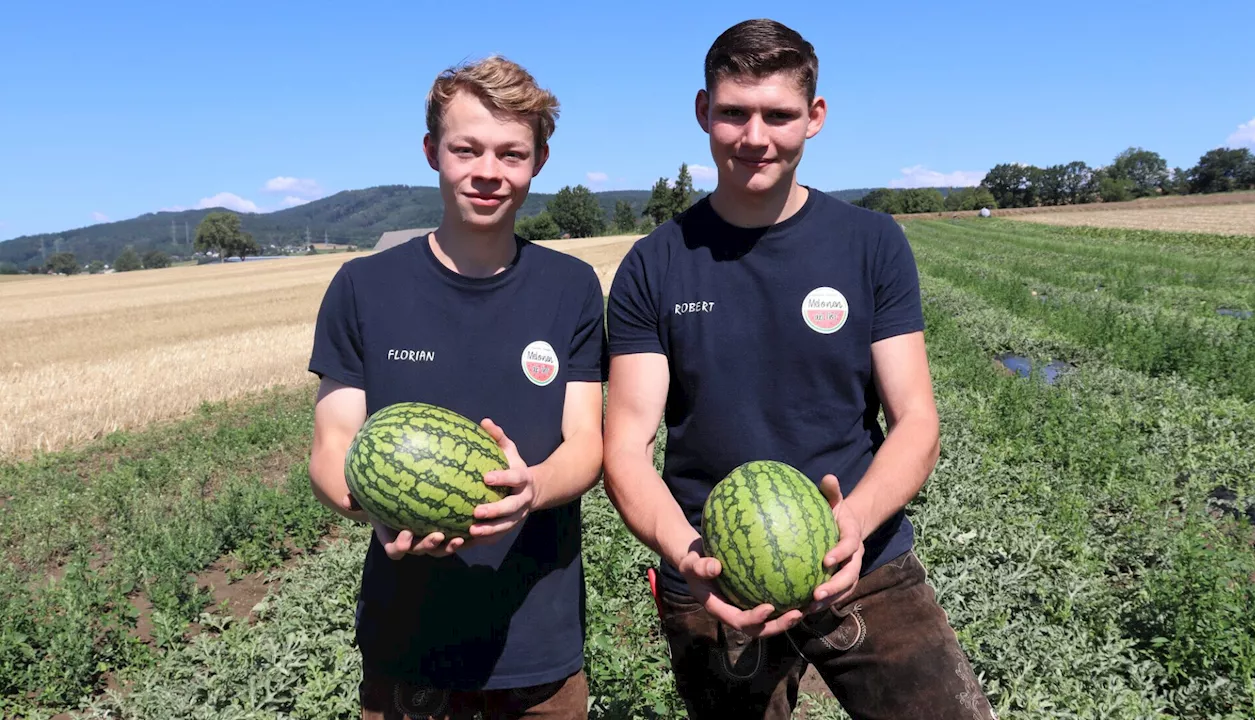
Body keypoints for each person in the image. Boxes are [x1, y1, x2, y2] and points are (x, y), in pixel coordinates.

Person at [602, 18, 996, 720]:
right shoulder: (653, 265)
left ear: (813, 117)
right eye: (734, 112)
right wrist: (686, 553)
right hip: (713, 571)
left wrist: (856, 524)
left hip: (864, 560)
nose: (755, 136)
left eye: (778, 114)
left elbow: (916, 421)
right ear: (703, 111)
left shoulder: (871, 244)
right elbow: (626, 448)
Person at [307, 55, 605, 720]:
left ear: (539, 161)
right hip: (407, 646)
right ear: (431, 152)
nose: (488, 173)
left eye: (511, 153)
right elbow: (332, 446)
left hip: (539, 643)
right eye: (466, 149)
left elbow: (587, 441)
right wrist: (373, 508)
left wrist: (531, 492)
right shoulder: (363, 288)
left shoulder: (572, 289)